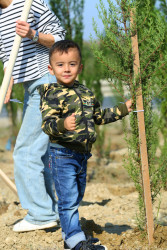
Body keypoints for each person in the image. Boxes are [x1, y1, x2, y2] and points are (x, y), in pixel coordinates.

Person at [39, 40, 132, 250]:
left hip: (82, 155)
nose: (66, 69)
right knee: (68, 200)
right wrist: (64, 124)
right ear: (50, 68)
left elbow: (99, 116)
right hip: (62, 154)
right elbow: (47, 125)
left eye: (72, 64)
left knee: (76, 196)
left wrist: (123, 109)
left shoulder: (86, 92)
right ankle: (74, 241)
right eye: (60, 65)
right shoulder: (52, 94)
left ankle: (71, 235)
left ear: (80, 67)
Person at [0, 0, 66, 232]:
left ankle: (40, 214)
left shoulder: (31, 3)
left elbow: (60, 40)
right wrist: (6, 84)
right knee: (37, 155)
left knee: (26, 152)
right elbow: (8, 56)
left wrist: (33, 33)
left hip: (46, 84)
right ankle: (51, 211)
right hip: (30, 88)